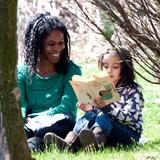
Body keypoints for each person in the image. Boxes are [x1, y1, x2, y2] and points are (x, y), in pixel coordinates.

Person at [43, 47, 144, 152]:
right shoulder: (104, 86)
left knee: (104, 116)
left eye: (115, 67)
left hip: (129, 135)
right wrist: (91, 108)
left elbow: (130, 118)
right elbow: (101, 113)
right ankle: (69, 143)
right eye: (105, 66)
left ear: (125, 68)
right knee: (90, 115)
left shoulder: (132, 90)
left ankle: (95, 143)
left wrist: (106, 108)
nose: (109, 70)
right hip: (108, 132)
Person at [17, 12, 82, 151]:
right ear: (37, 44)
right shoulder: (22, 73)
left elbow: (68, 108)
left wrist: (35, 119)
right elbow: (20, 109)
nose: (58, 48)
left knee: (64, 124)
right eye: (51, 44)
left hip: (60, 122)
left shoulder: (72, 71)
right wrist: (24, 122)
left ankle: (35, 143)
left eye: (61, 43)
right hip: (29, 126)